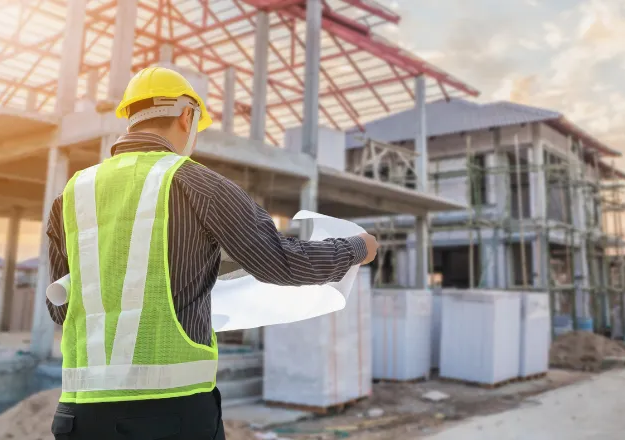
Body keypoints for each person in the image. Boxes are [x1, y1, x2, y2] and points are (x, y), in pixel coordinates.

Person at [44, 66, 379, 440]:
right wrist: (356, 248)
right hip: (169, 415)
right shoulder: (200, 185)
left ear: (130, 119)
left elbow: (61, 307)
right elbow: (282, 262)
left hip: (78, 417)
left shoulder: (71, 196)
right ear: (187, 116)